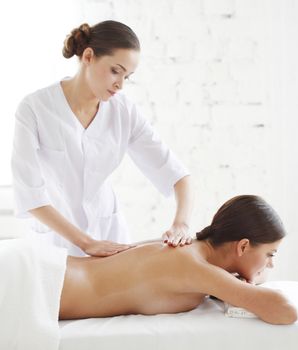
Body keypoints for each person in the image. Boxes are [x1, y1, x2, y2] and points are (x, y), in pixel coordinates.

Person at [11, 20, 194, 257]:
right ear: (88, 56)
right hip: (56, 243)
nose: (120, 84)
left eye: (127, 76)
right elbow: (30, 195)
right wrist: (86, 243)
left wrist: (182, 223)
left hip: (109, 235)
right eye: (115, 71)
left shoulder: (123, 111)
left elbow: (178, 175)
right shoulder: (35, 109)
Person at [59, 195, 298, 325]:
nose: (270, 265)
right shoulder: (197, 268)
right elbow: (286, 311)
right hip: (46, 286)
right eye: (270, 254)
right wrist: (245, 285)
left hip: (55, 273)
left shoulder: (187, 248)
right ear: (243, 245)